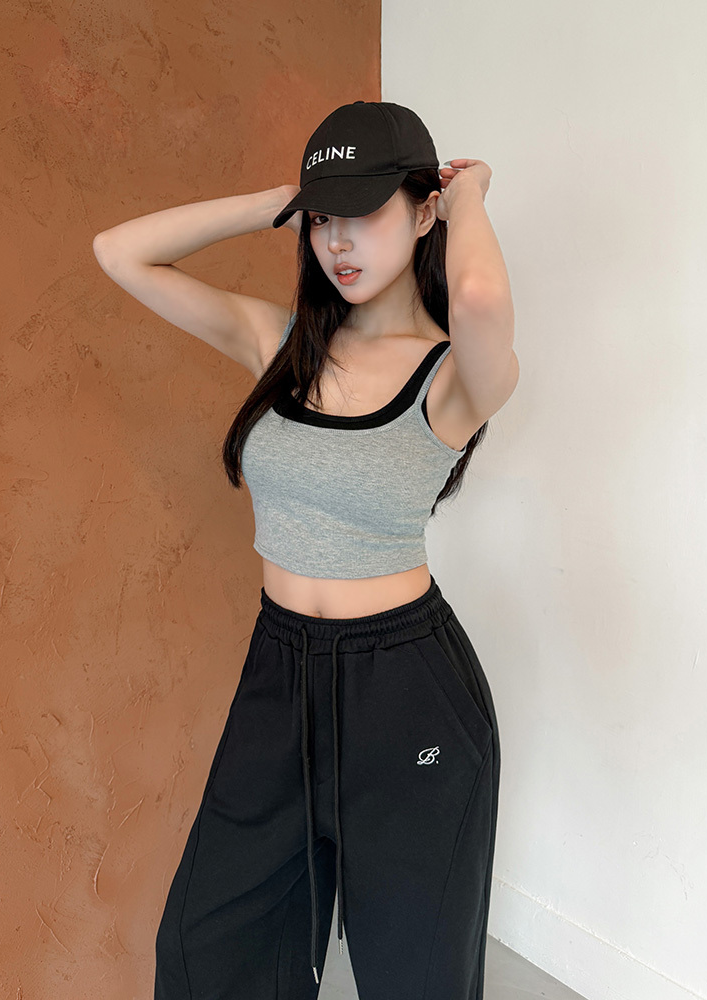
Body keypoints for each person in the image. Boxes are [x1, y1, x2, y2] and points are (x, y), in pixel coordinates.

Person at [93, 100, 518, 1000]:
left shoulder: (451, 375)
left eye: (364, 212)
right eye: (324, 218)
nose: (338, 241)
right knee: (204, 951)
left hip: (407, 688)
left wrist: (470, 193)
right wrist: (277, 201)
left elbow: (480, 295)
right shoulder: (279, 343)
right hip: (278, 668)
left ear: (423, 213)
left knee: (415, 977)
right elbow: (119, 252)